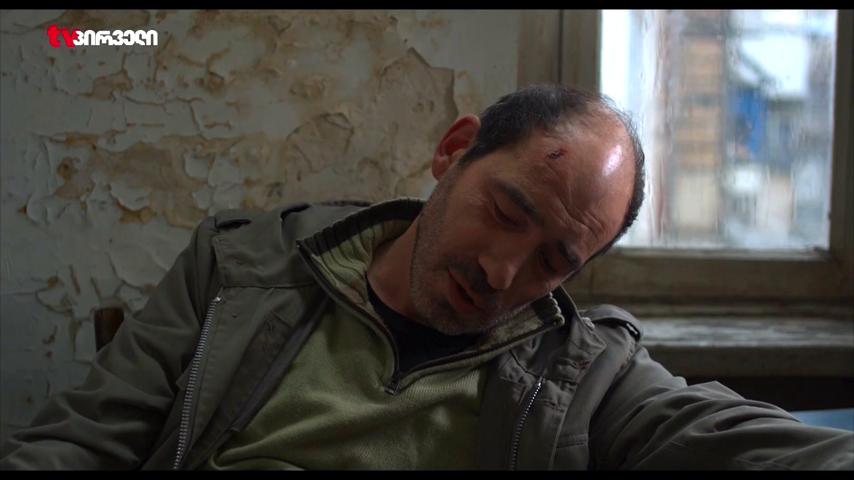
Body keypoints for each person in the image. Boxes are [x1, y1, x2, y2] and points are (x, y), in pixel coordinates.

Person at [2, 85, 851, 470]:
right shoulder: (242, 266)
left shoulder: (579, 373)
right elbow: (82, 442)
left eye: (554, 261)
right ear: (454, 152)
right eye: (507, 210)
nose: (502, 270)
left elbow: (738, 440)